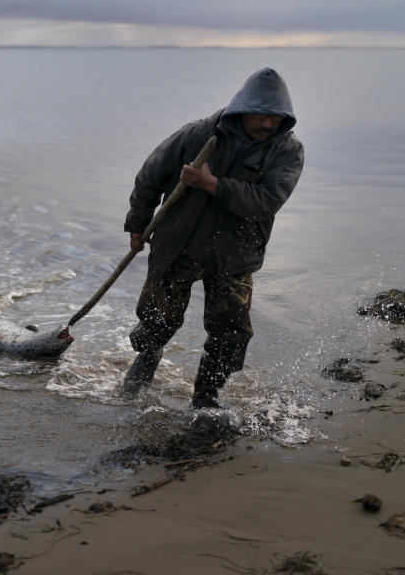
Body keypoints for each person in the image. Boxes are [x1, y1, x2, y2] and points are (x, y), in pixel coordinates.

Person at [122, 67, 304, 408]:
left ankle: (207, 396)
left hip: (236, 255)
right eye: (261, 116)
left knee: (231, 333)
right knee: (157, 319)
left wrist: (211, 184)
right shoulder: (196, 135)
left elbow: (267, 202)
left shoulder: (287, 151)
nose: (268, 125)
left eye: (276, 118)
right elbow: (150, 176)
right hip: (178, 245)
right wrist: (137, 224)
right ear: (242, 109)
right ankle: (146, 361)